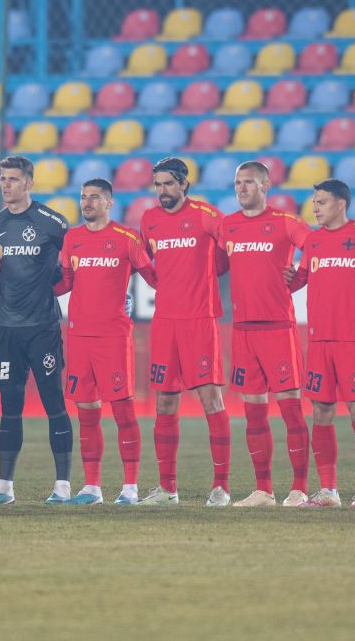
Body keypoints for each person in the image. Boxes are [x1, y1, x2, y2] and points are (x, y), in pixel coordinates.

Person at [0, 156, 73, 506]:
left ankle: (62, 486)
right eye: (3, 178)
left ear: (29, 183)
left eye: (14, 179)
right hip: (5, 329)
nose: (6, 185)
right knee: (9, 405)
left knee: (53, 403)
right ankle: (4, 487)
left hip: (42, 327)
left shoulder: (51, 222)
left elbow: (77, 255)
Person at [53, 178, 156, 506]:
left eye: (95, 197)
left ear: (109, 203)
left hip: (113, 338)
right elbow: (65, 283)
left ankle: (130, 488)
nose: (87, 203)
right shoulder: (72, 238)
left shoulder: (127, 238)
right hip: (79, 337)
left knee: (124, 411)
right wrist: (28, 286)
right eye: (83, 197)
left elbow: (154, 278)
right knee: (86, 412)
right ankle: (92, 487)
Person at [138, 157, 234, 507]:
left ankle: (221, 487)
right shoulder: (149, 220)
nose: (162, 191)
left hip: (200, 321)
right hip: (165, 322)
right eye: (157, 184)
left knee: (211, 399)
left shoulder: (207, 216)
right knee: (165, 401)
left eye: (168, 184)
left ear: (183, 184)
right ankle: (167, 489)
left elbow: (228, 255)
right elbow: (145, 263)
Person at [286, 178, 355, 509]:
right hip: (319, 339)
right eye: (314, 202)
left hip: (353, 339)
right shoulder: (312, 242)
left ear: (341, 204)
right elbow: (300, 279)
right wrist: (285, 278)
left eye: (321, 202)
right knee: (322, 411)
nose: (315, 208)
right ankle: (328, 490)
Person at [218, 162, 311, 508]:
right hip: (242, 331)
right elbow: (213, 264)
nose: (241, 188)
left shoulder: (286, 222)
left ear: (265, 185)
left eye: (248, 182)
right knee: (254, 413)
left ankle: (299, 489)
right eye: (237, 182)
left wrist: (299, 279)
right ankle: (264, 490)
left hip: (278, 329)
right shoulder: (227, 226)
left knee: (291, 411)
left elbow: (316, 248)